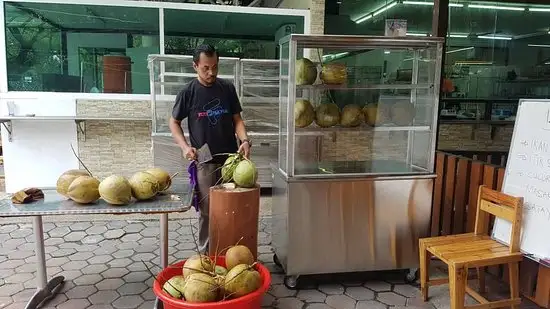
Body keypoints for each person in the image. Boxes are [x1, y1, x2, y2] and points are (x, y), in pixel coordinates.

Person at [169, 44, 251, 253]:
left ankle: (231, 252)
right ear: (195, 66)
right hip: (204, 161)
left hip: (231, 160)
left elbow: (237, 120)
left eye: (215, 67)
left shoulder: (227, 89)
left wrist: (244, 140)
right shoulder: (188, 92)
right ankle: (206, 255)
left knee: (231, 208)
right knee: (206, 211)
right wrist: (184, 147)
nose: (211, 72)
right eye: (206, 67)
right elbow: (174, 122)